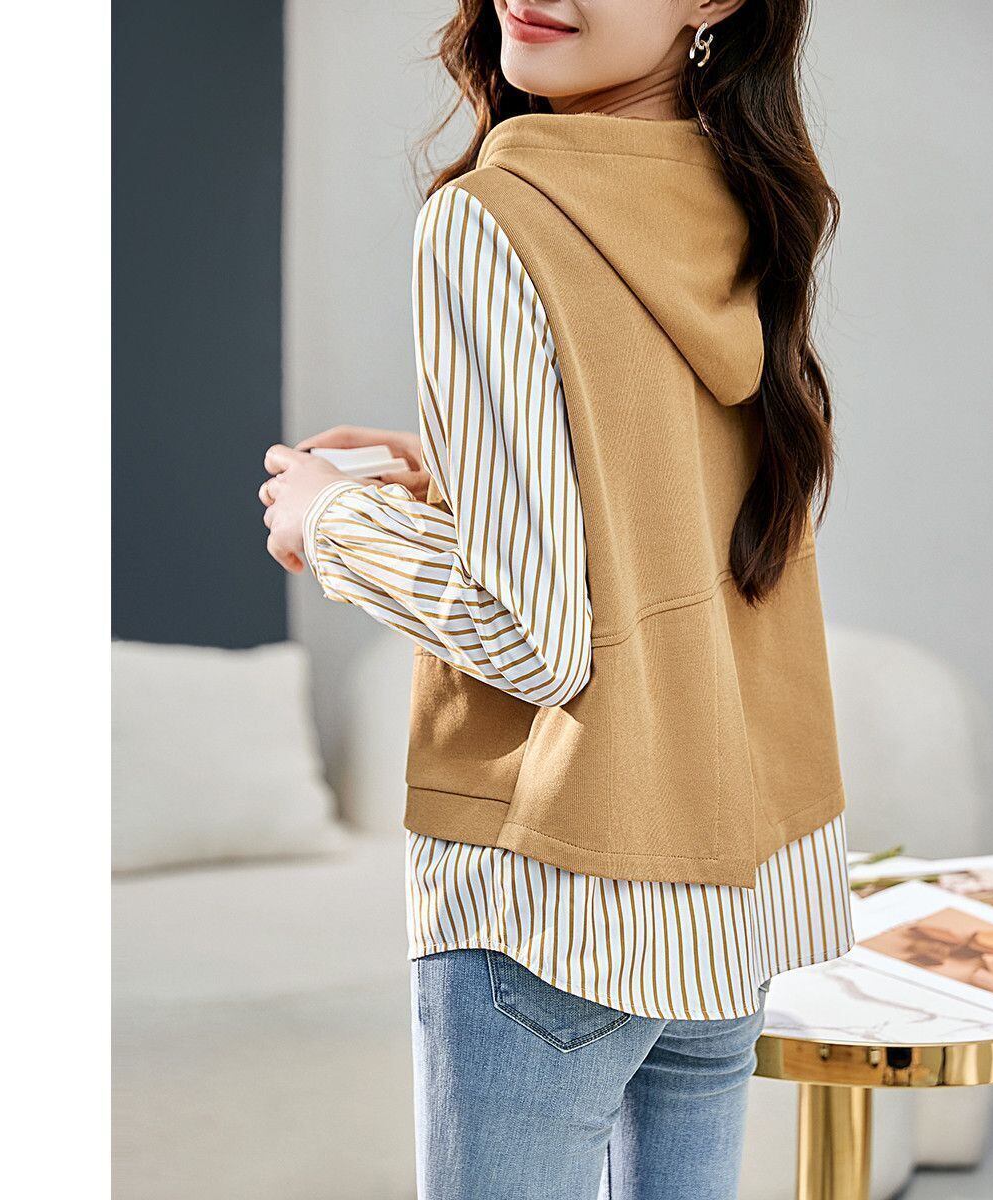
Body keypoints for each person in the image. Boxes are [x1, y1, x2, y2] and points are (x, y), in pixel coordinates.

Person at [259, 2, 852, 1196]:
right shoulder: (738, 194)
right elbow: (670, 516)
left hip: (555, 895)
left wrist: (330, 520)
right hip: (723, 889)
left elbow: (531, 637)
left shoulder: (494, 213)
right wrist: (455, 481)